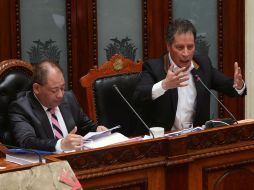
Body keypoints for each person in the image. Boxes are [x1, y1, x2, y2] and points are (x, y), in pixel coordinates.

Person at [133, 18, 246, 132]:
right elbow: (139, 96)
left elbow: (229, 87)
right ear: (168, 46)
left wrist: (239, 85)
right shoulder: (154, 68)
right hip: (163, 141)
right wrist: (164, 85)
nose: (186, 53)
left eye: (190, 47)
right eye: (180, 47)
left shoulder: (203, 65)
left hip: (196, 141)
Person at [9, 60, 107, 152]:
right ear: (37, 88)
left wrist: (97, 130)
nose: (60, 95)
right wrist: (60, 144)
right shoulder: (21, 108)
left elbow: (86, 125)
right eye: (54, 90)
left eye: (62, 88)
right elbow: (27, 142)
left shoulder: (69, 98)